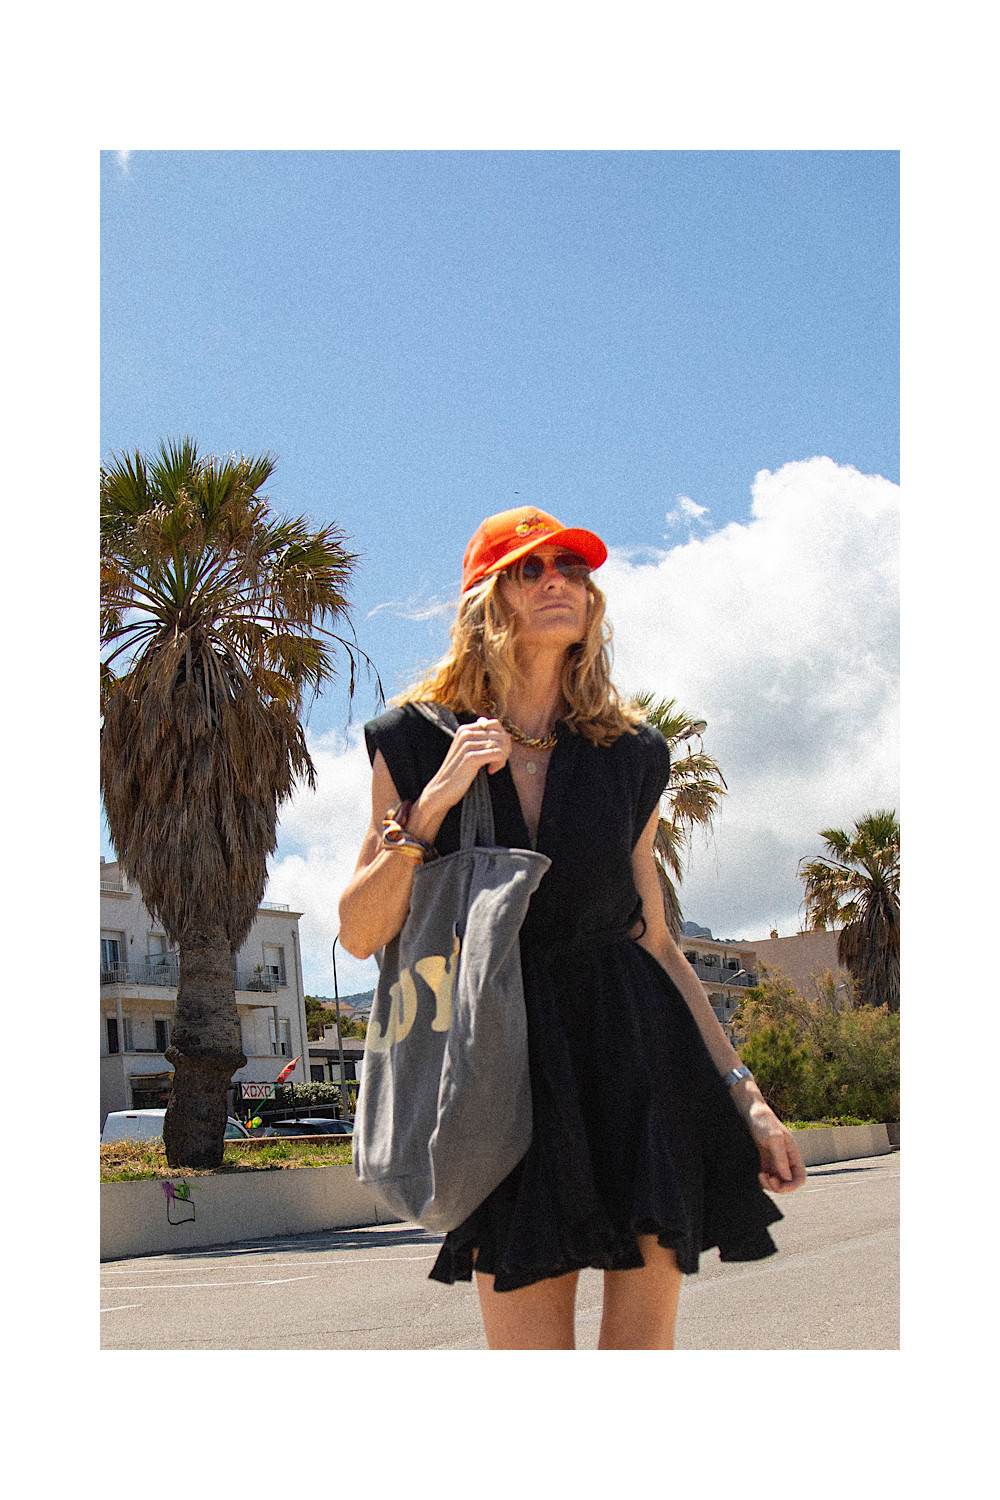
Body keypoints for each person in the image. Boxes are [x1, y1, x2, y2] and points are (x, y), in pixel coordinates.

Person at [339, 505, 806, 1350]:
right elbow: (361, 932)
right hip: (497, 1070)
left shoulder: (631, 753)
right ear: (489, 600)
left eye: (573, 568)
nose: (558, 581)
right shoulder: (412, 741)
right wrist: (432, 806)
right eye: (531, 568)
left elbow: (656, 942)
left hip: (631, 1059)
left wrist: (750, 1098)